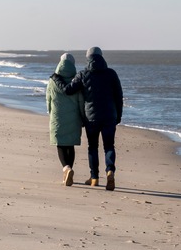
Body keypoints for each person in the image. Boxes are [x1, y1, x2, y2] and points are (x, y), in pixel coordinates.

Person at [50, 47, 123, 191]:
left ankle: (94, 178)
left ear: (88, 58)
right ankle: (110, 171)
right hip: (109, 116)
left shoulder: (83, 74)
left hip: (91, 118)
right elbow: (118, 97)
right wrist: (118, 115)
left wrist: (56, 78)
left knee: (93, 147)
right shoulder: (111, 74)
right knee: (109, 146)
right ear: (102, 57)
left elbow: (68, 90)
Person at [46, 53, 86, 186]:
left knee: (61, 144)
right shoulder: (76, 80)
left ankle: (66, 168)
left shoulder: (53, 81)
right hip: (74, 117)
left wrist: (50, 113)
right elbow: (81, 100)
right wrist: (82, 117)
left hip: (58, 117)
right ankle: (69, 169)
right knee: (70, 145)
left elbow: (48, 99)